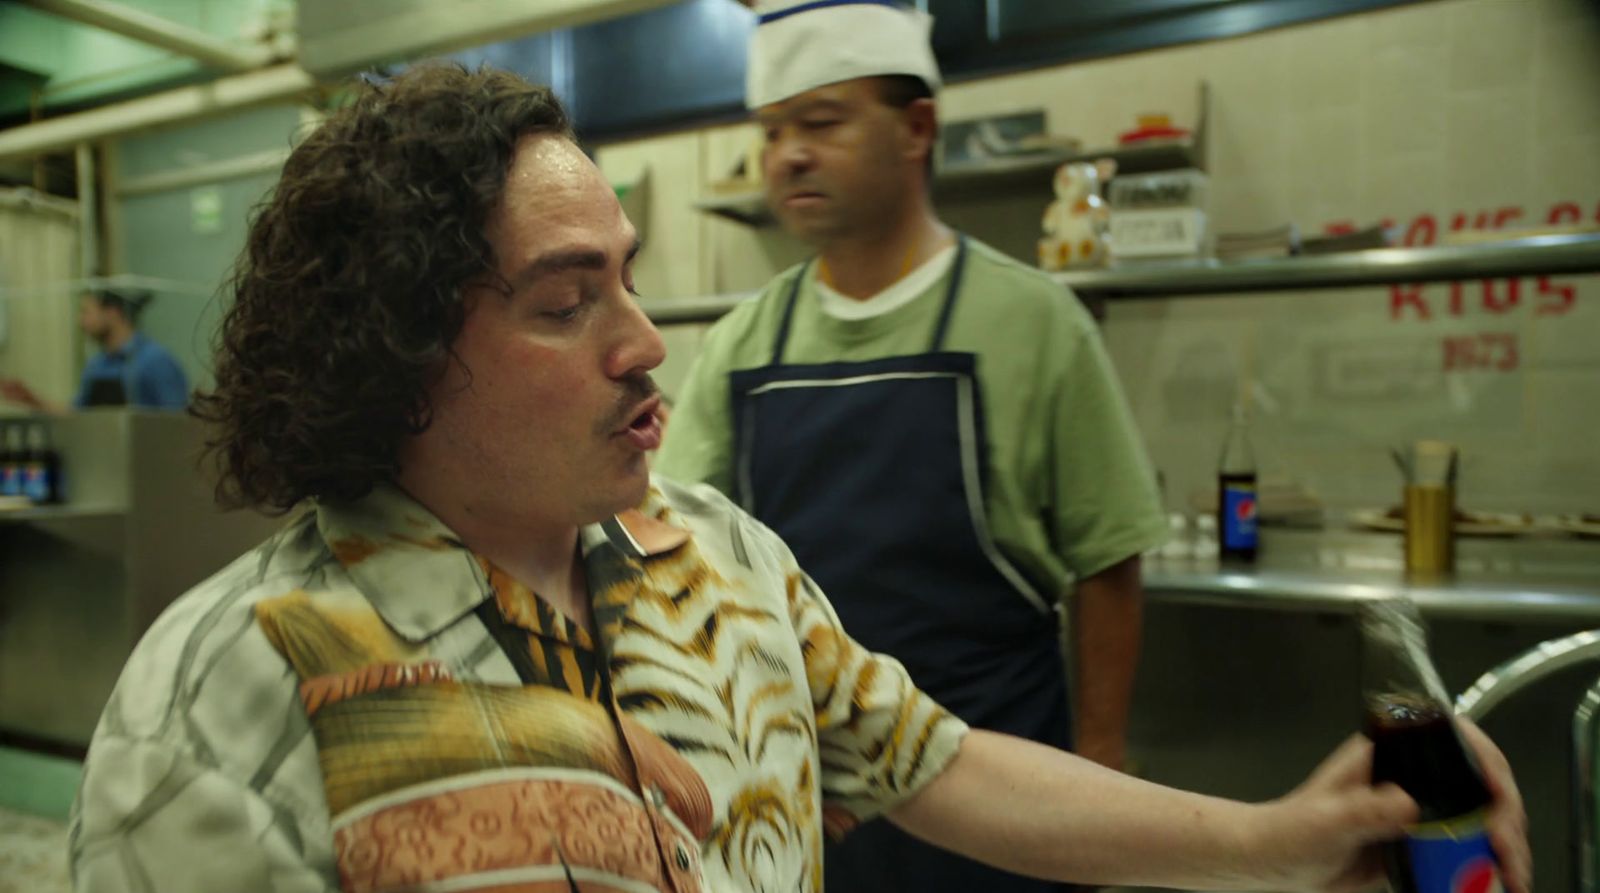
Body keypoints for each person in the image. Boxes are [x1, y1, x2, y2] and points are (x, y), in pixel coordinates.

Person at [68, 64, 1532, 893]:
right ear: (390, 356)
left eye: (631, 284)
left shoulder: (712, 558)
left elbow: (945, 765)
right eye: (567, 301)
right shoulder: (237, 685)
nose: (647, 345)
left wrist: (1278, 842)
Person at [654, 4, 1156, 890]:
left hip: (1006, 795)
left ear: (917, 127)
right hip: (820, 802)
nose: (789, 155)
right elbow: (673, 560)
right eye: (772, 132)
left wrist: (1102, 767)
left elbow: (1108, 556)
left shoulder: (1034, 323)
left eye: (822, 122)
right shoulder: (745, 345)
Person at [0, 288, 189, 412]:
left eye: (86, 311)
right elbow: (79, 415)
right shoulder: (96, 365)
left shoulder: (156, 360)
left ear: (112, 313)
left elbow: (178, 422)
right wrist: (33, 400)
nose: (81, 321)